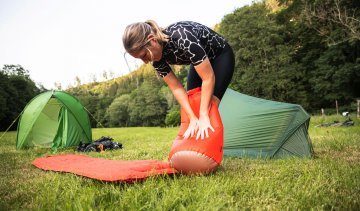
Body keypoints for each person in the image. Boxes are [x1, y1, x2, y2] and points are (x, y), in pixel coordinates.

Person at [122, 20, 235, 140]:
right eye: (139, 58)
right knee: (193, 107)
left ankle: (209, 152)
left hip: (220, 56)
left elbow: (207, 78)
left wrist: (203, 114)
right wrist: (192, 118)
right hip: (199, 62)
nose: (145, 61)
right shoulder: (157, 62)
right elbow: (176, 88)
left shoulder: (181, 37)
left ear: (152, 40)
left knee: (209, 108)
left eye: (144, 55)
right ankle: (194, 151)